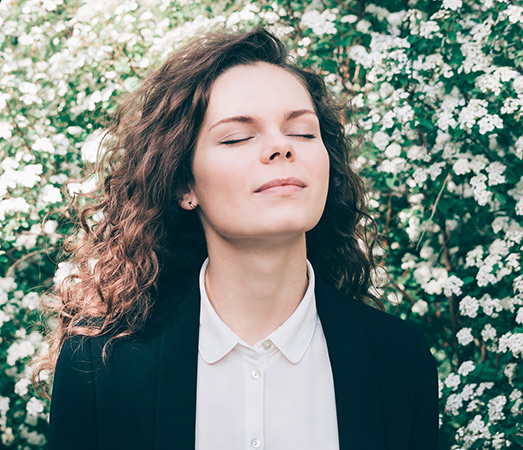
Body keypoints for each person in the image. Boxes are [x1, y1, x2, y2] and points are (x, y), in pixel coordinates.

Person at [42, 28, 439, 450]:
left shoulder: (400, 359)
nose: (280, 147)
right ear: (184, 186)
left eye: (303, 132)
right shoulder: (100, 363)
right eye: (237, 136)